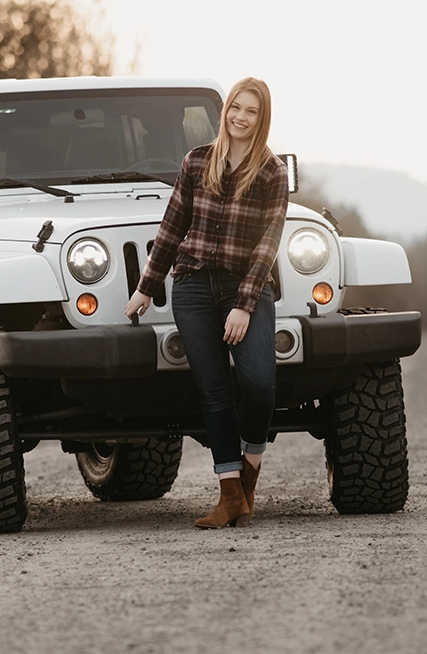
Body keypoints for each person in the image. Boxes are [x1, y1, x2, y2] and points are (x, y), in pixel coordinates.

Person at [126, 77, 289, 528]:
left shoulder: (272, 171)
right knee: (214, 392)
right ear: (226, 110)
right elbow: (172, 226)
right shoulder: (197, 161)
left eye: (251, 111)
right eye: (236, 106)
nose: (240, 116)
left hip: (245, 288)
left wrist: (245, 303)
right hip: (193, 287)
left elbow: (268, 243)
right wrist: (146, 287)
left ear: (263, 118)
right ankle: (228, 495)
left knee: (258, 383)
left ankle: (250, 467)